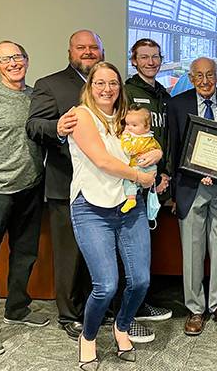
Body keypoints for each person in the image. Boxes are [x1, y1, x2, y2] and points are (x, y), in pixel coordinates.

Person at [68, 61, 158, 370]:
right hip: (91, 208)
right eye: (100, 83)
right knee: (106, 285)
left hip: (128, 207)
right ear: (90, 86)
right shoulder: (80, 115)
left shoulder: (124, 119)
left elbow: (148, 143)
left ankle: (122, 327)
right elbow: (103, 161)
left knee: (141, 280)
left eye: (113, 83)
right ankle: (89, 337)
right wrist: (139, 175)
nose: (107, 89)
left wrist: (156, 154)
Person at [26, 30, 104, 341]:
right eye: (81, 47)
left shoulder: (108, 83)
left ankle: (93, 306)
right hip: (66, 184)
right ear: (69, 50)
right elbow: (33, 126)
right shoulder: (50, 84)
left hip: (105, 184)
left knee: (96, 252)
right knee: (70, 253)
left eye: (93, 48)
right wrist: (56, 127)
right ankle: (69, 314)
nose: (88, 52)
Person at [0, 41, 49, 357]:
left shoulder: (36, 97)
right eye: (5, 59)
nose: (13, 62)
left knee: (25, 253)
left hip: (30, 188)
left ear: (27, 59)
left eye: (18, 56)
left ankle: (17, 307)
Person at [166, 57, 217, 336]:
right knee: (192, 250)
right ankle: (195, 308)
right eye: (199, 76)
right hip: (190, 188)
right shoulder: (177, 104)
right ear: (191, 77)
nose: (205, 81)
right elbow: (173, 148)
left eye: (210, 75)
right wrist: (173, 194)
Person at [122, 38, 173, 331]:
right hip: (132, 182)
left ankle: (140, 303)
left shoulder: (163, 94)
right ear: (134, 60)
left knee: (143, 247)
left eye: (155, 56)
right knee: (129, 248)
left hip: (155, 182)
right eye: (144, 57)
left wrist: (163, 173)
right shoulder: (127, 92)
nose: (151, 61)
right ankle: (127, 313)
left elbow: (161, 140)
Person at [120, 105, 162, 213]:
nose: (129, 128)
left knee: (128, 180)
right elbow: (158, 147)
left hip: (141, 168)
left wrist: (124, 137)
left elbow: (129, 150)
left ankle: (131, 199)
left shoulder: (138, 140)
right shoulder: (150, 137)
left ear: (147, 127)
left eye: (134, 125)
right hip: (151, 170)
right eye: (127, 124)